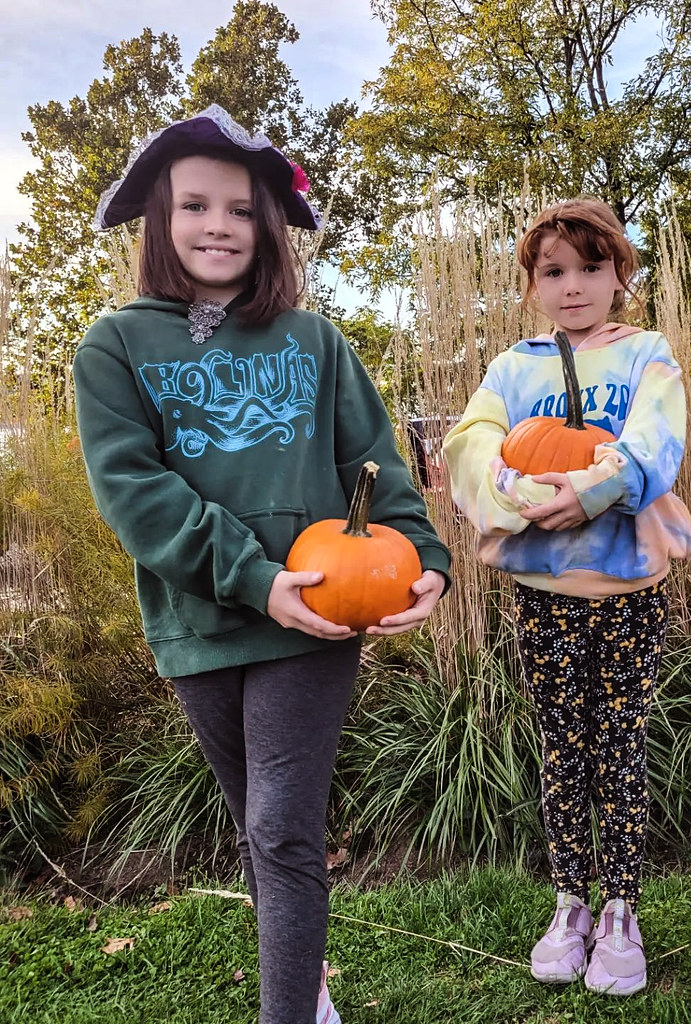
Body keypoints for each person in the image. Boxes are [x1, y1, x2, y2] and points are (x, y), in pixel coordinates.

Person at [73, 106, 450, 1024]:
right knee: (259, 826)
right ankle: (305, 977)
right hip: (200, 620)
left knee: (282, 826)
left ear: (267, 227)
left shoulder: (314, 342)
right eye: (195, 206)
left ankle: (290, 1011)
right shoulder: (116, 345)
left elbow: (375, 468)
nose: (218, 227)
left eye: (241, 210)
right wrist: (250, 577)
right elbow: (136, 491)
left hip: (319, 609)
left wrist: (425, 557)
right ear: (160, 219)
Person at [443, 198, 691, 996]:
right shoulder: (513, 369)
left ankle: (623, 906)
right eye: (554, 271)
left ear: (622, 276)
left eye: (592, 267)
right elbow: (471, 441)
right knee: (561, 741)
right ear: (531, 286)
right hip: (543, 591)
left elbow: (658, 439)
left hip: (624, 586)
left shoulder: (647, 355)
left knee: (618, 739)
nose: (574, 285)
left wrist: (595, 489)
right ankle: (570, 900)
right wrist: (512, 490)